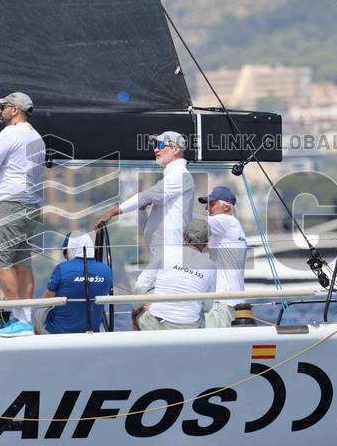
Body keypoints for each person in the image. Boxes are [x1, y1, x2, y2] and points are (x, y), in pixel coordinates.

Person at [0, 92, 46, 337]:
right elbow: (25, 175)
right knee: (22, 264)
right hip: (32, 206)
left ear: (15, 109)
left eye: (3, 107)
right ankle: (26, 320)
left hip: (12, 206)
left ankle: (19, 319)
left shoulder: (10, 133)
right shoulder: (36, 136)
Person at [94, 130, 194, 287]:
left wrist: (111, 213)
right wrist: (142, 211)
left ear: (176, 149)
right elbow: (149, 214)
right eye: (155, 145)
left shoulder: (180, 175)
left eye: (160, 145)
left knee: (138, 295)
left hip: (167, 260)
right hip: (161, 259)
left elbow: (145, 196)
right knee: (141, 300)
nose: (155, 149)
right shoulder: (172, 177)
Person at [23, 231, 113, 336]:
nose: (65, 256)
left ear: (71, 249)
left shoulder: (62, 269)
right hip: (92, 331)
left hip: (58, 331)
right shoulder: (106, 270)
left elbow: (46, 301)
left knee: (40, 310)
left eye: (65, 252)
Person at [131, 219, 215, 331]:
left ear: (183, 235)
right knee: (201, 318)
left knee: (135, 314)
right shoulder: (211, 266)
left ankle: (142, 347)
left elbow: (140, 286)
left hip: (156, 323)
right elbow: (208, 306)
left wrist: (139, 306)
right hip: (189, 327)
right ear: (207, 241)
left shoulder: (166, 252)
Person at [199, 186, 249, 328]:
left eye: (212, 204)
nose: (207, 208)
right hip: (235, 301)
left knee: (215, 348)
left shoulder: (225, 221)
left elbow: (195, 223)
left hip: (221, 300)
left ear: (226, 207)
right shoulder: (234, 225)